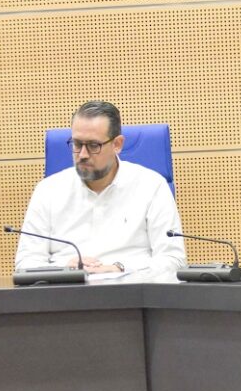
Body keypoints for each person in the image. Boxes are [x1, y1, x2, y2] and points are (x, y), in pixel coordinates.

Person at [14, 100, 187, 273]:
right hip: (66, 287)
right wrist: (64, 269)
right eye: (77, 144)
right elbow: (26, 263)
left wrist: (118, 269)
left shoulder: (151, 186)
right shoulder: (48, 191)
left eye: (93, 146)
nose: (83, 154)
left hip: (132, 286)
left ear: (117, 144)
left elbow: (173, 259)